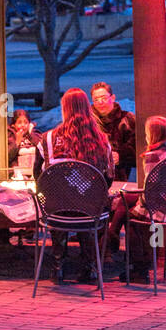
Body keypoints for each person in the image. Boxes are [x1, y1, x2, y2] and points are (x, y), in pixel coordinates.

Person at [34, 88, 114, 284]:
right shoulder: (102, 141)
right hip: (90, 211)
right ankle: (90, 267)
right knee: (87, 204)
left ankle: (57, 266)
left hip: (57, 211)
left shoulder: (47, 140)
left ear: (64, 109)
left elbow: (38, 177)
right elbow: (108, 179)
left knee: (59, 199)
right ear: (88, 108)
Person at [112, 115, 166, 285]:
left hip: (160, 209)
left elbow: (150, 189)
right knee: (125, 201)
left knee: (131, 218)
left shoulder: (153, 156)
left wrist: (138, 203)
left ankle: (139, 269)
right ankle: (141, 263)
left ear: (153, 134)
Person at [90, 82, 136, 180]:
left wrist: (121, 156)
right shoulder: (87, 122)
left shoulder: (127, 120)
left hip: (119, 181)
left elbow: (137, 150)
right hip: (90, 178)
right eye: (96, 100)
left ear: (113, 98)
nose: (100, 102)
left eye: (104, 98)